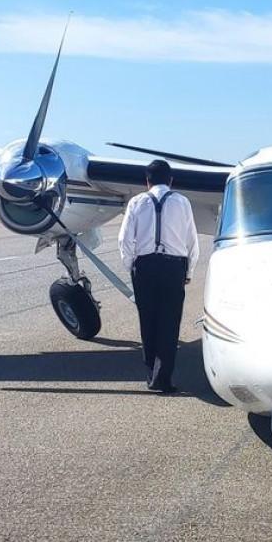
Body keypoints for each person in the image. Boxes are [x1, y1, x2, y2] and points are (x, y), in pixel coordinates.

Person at [118, 159, 197, 393]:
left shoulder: (136, 202)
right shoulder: (182, 202)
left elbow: (124, 239)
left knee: (148, 321)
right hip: (173, 267)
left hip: (145, 266)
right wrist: (189, 271)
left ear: (147, 181)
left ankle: (151, 373)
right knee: (169, 323)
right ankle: (163, 378)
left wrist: (131, 265)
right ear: (171, 180)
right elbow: (191, 239)